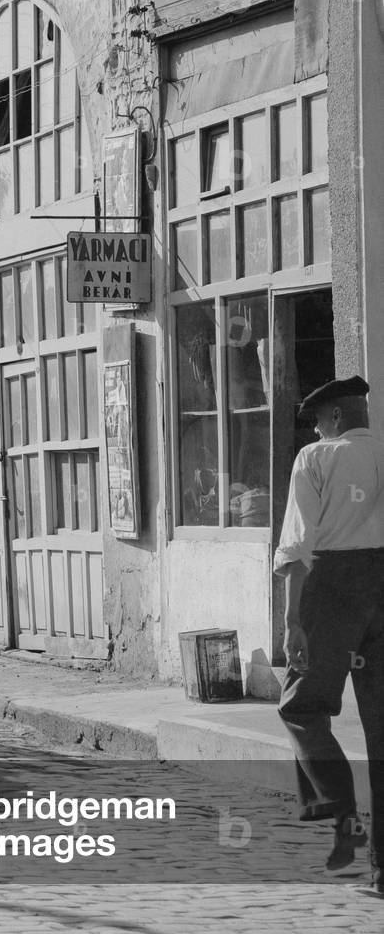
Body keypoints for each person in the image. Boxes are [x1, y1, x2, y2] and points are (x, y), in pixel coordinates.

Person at [274, 375, 384, 893]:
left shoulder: (316, 459)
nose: (315, 430)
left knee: (301, 708)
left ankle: (342, 815)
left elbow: (297, 547)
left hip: (334, 588)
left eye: (317, 421)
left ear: (335, 417)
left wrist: (292, 619)